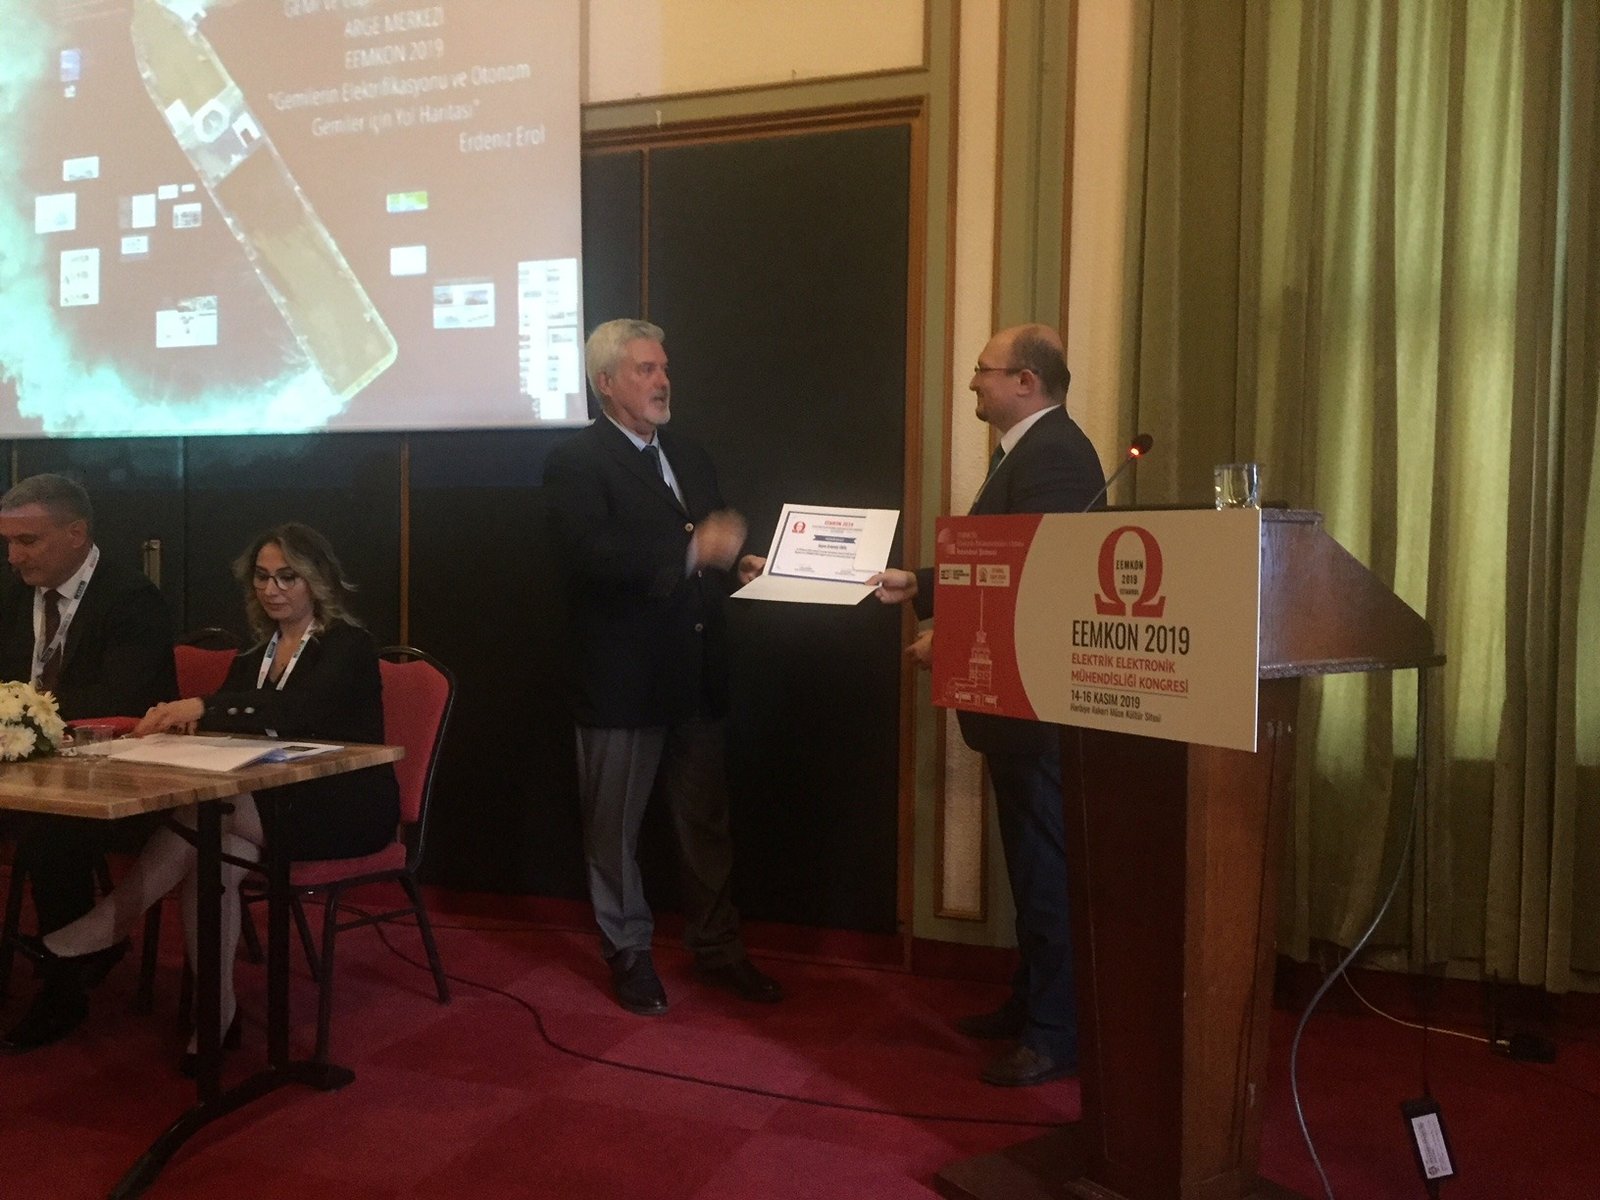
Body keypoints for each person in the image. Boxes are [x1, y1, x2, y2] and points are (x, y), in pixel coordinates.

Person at [0, 523, 398, 1063]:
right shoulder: (254, 654)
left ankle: (110, 924)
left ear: (317, 580)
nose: (272, 589)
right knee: (213, 853)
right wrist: (181, 721)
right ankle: (216, 1017)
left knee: (210, 813)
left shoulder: (347, 644)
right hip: (269, 800)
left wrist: (203, 706)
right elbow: (231, 724)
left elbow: (299, 710)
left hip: (341, 806)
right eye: (262, 577)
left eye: (288, 577)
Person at [870, 324, 1105, 1087]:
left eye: (984, 370)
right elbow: (1000, 561)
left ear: (1026, 382)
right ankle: (1034, 1002)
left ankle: (1056, 1032)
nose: (973, 381)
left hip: (1034, 704)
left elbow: (1046, 579)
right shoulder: (1028, 452)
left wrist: (951, 639)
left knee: (1045, 870)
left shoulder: (1055, 455)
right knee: (1031, 868)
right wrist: (921, 584)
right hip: (1015, 705)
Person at [543, 318, 782, 1016]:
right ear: (605, 382)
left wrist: (736, 563)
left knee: (704, 822)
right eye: (645, 369)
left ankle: (718, 948)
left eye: (664, 367)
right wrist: (691, 551)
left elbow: (708, 549)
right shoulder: (576, 461)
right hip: (621, 681)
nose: (662, 380)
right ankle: (628, 951)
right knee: (613, 829)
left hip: (695, 674)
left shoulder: (689, 454)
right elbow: (587, 557)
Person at [0, 473, 177, 998]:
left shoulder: (131, 599)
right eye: (8, 542)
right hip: (24, 769)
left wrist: (26, 715)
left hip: (117, 774)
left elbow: (123, 699)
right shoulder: (12, 594)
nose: (13, 557)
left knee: (51, 830)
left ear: (76, 533)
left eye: (27, 541)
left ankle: (65, 980)